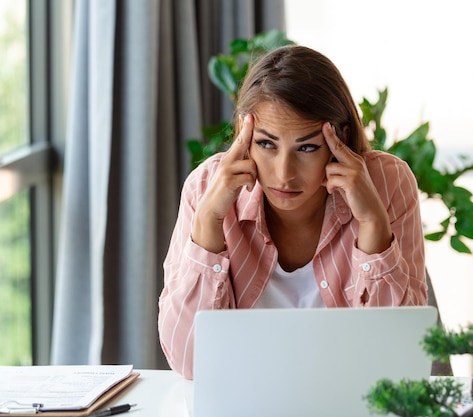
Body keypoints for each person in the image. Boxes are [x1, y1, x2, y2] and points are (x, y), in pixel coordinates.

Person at [158, 45, 428, 379]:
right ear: (245, 133)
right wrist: (207, 224)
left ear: (339, 139)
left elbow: (397, 362)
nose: (284, 173)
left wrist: (373, 223)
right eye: (266, 144)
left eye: (307, 147)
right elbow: (189, 362)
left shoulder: (387, 184)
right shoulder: (205, 189)